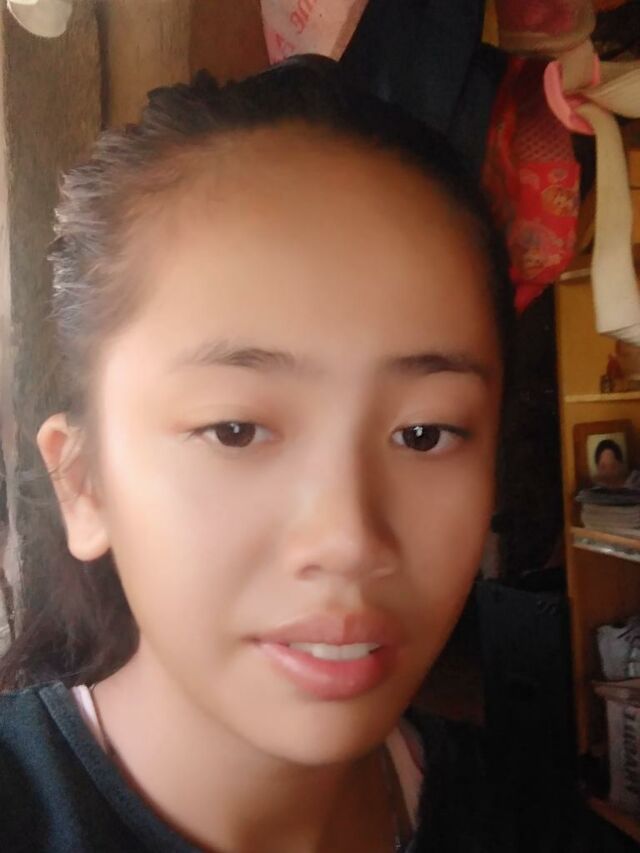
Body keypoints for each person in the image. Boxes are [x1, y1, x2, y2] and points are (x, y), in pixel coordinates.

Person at [0, 55, 517, 852]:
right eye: (234, 430)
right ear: (83, 482)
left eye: (425, 433)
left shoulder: (527, 814)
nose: (349, 540)